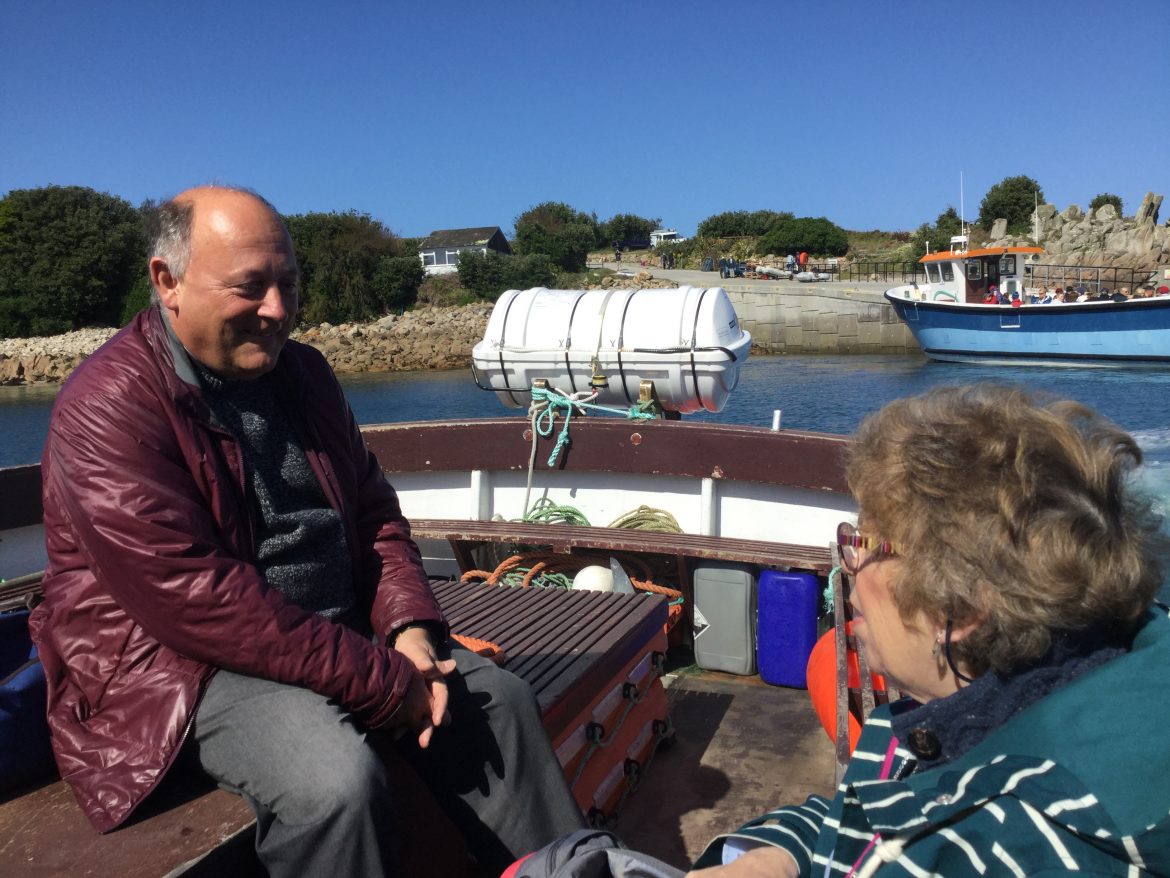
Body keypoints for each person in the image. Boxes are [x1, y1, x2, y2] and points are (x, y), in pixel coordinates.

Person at [31, 186, 584, 876]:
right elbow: (196, 601)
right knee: (333, 784)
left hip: (332, 630)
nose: (277, 311)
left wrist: (410, 630)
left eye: (287, 284)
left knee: (499, 702)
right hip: (186, 666)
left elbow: (375, 517)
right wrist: (385, 679)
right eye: (250, 288)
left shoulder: (307, 374)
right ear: (166, 281)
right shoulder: (107, 409)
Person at [522, 384, 1170, 877]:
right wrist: (773, 855)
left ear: (967, 606)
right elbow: (871, 813)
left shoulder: (1003, 847)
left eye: (864, 545)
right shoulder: (984, 698)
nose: (848, 571)